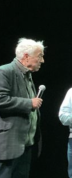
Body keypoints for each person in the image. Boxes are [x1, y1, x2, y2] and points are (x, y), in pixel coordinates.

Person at [0, 38, 45, 178]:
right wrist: (29, 103)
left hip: (26, 145)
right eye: (39, 56)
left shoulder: (27, 74)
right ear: (26, 56)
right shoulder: (5, 71)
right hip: (10, 144)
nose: (42, 60)